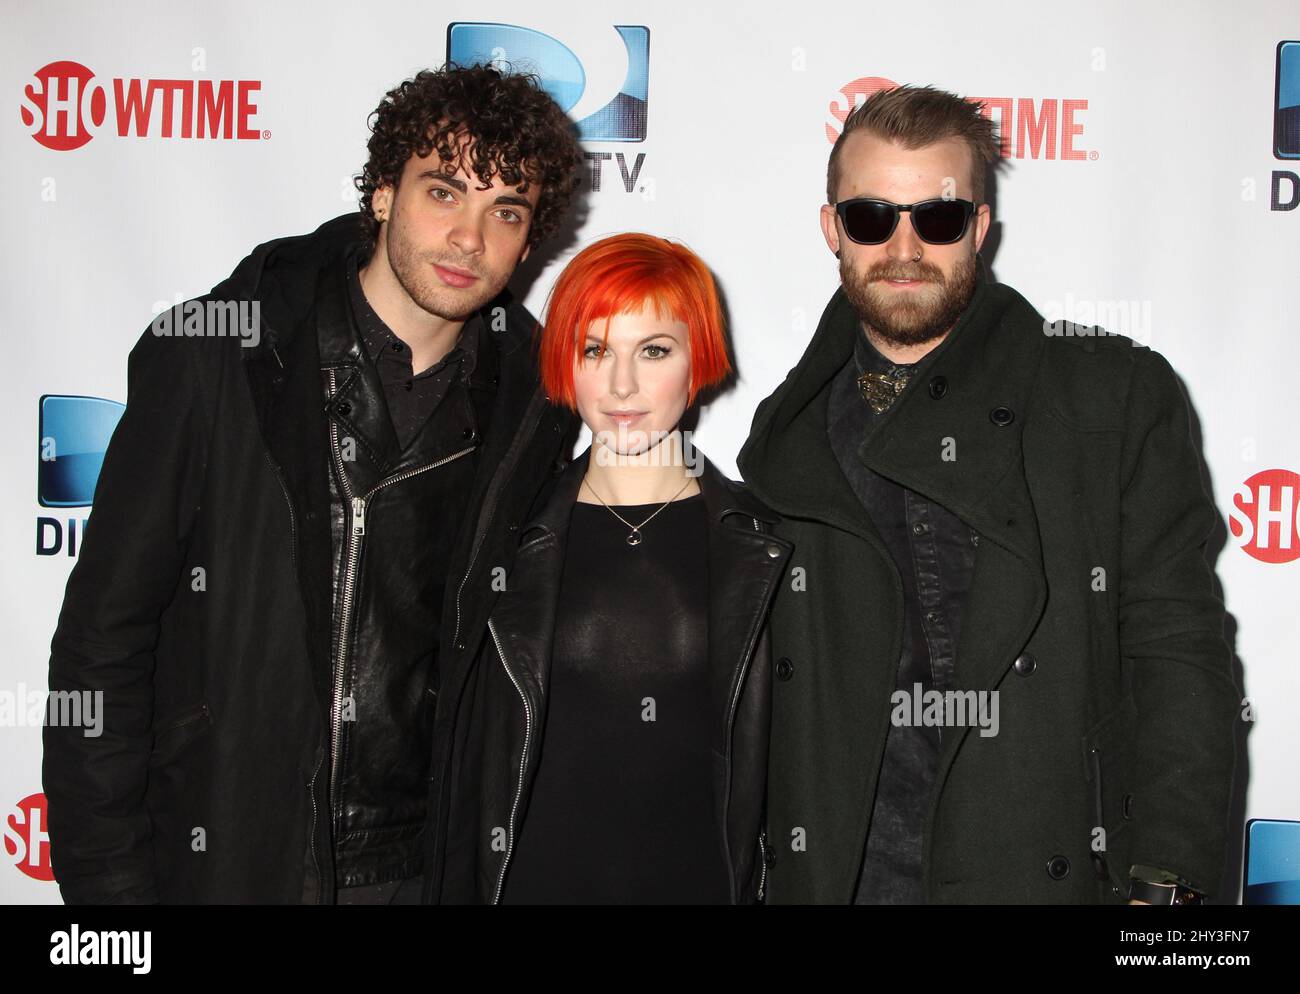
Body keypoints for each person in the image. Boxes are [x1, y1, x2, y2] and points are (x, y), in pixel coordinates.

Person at [43, 63, 584, 904]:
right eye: (443, 192)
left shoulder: (536, 408)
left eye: (504, 211)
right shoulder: (220, 356)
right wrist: (111, 895)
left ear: (530, 237)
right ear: (381, 195)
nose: (469, 239)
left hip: (419, 872)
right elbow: (100, 645)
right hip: (231, 853)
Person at [737, 84, 1239, 904]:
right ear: (832, 230)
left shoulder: (1109, 394)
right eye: (871, 218)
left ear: (978, 227)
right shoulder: (786, 434)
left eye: (936, 219)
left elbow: (1179, 651)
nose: (904, 247)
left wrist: (1168, 890)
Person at [428, 233, 791, 904]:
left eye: (654, 350)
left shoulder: (764, 548)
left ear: (699, 360)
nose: (622, 384)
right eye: (596, 350)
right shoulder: (500, 537)